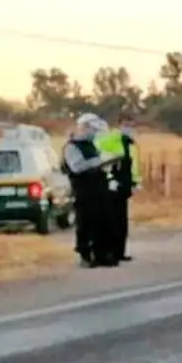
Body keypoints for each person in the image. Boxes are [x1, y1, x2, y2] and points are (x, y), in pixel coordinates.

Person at [62, 114, 122, 267]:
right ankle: (85, 255)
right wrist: (100, 161)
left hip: (99, 189)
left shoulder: (91, 145)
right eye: (93, 130)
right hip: (83, 191)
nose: (94, 134)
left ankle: (102, 254)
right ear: (83, 127)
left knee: (103, 222)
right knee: (86, 223)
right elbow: (78, 167)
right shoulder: (71, 146)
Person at [92, 118, 143, 262]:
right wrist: (109, 179)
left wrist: (135, 182)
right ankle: (112, 251)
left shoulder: (130, 143)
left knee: (122, 222)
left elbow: (133, 165)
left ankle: (120, 251)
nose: (129, 128)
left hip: (125, 187)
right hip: (112, 187)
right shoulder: (110, 139)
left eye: (132, 125)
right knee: (113, 221)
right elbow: (103, 160)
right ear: (119, 125)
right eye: (126, 125)